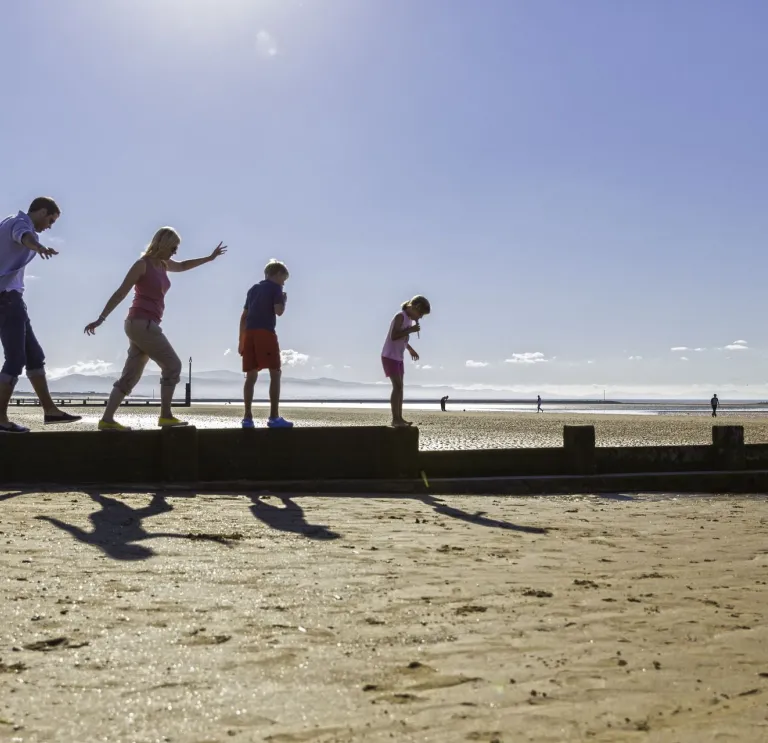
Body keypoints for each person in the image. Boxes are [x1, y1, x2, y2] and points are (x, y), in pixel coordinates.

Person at [84, 227, 226, 431]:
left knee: (130, 376)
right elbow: (121, 292)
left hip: (143, 325)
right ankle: (165, 416)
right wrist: (101, 319)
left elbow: (184, 265)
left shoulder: (163, 264)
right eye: (174, 247)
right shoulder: (142, 265)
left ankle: (107, 420)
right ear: (163, 244)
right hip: (142, 324)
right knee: (173, 365)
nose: (175, 252)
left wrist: (209, 258)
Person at [0, 197, 81, 433]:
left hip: (12, 300)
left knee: (35, 356)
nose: (49, 226)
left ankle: (51, 411)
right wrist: (38, 246)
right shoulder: (19, 223)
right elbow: (24, 235)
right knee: (15, 359)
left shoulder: (8, 222)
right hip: (7, 299)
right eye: (51, 219)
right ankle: (1, 418)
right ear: (42, 211)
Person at [239, 259, 292, 429]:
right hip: (265, 333)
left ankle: (247, 417)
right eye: (284, 278)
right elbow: (279, 311)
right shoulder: (276, 289)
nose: (283, 282)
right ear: (277, 275)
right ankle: (274, 417)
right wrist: (283, 300)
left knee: (251, 376)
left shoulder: (253, 290)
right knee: (275, 373)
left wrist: (241, 340)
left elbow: (244, 316)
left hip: (250, 334)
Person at [382, 295, 431, 427]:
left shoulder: (409, 320)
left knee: (400, 388)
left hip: (398, 357)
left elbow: (402, 339)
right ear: (415, 308)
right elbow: (394, 336)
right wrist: (410, 330)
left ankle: (400, 417)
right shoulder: (401, 316)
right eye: (420, 314)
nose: (420, 318)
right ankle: (395, 419)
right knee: (397, 386)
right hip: (389, 356)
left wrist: (410, 349)